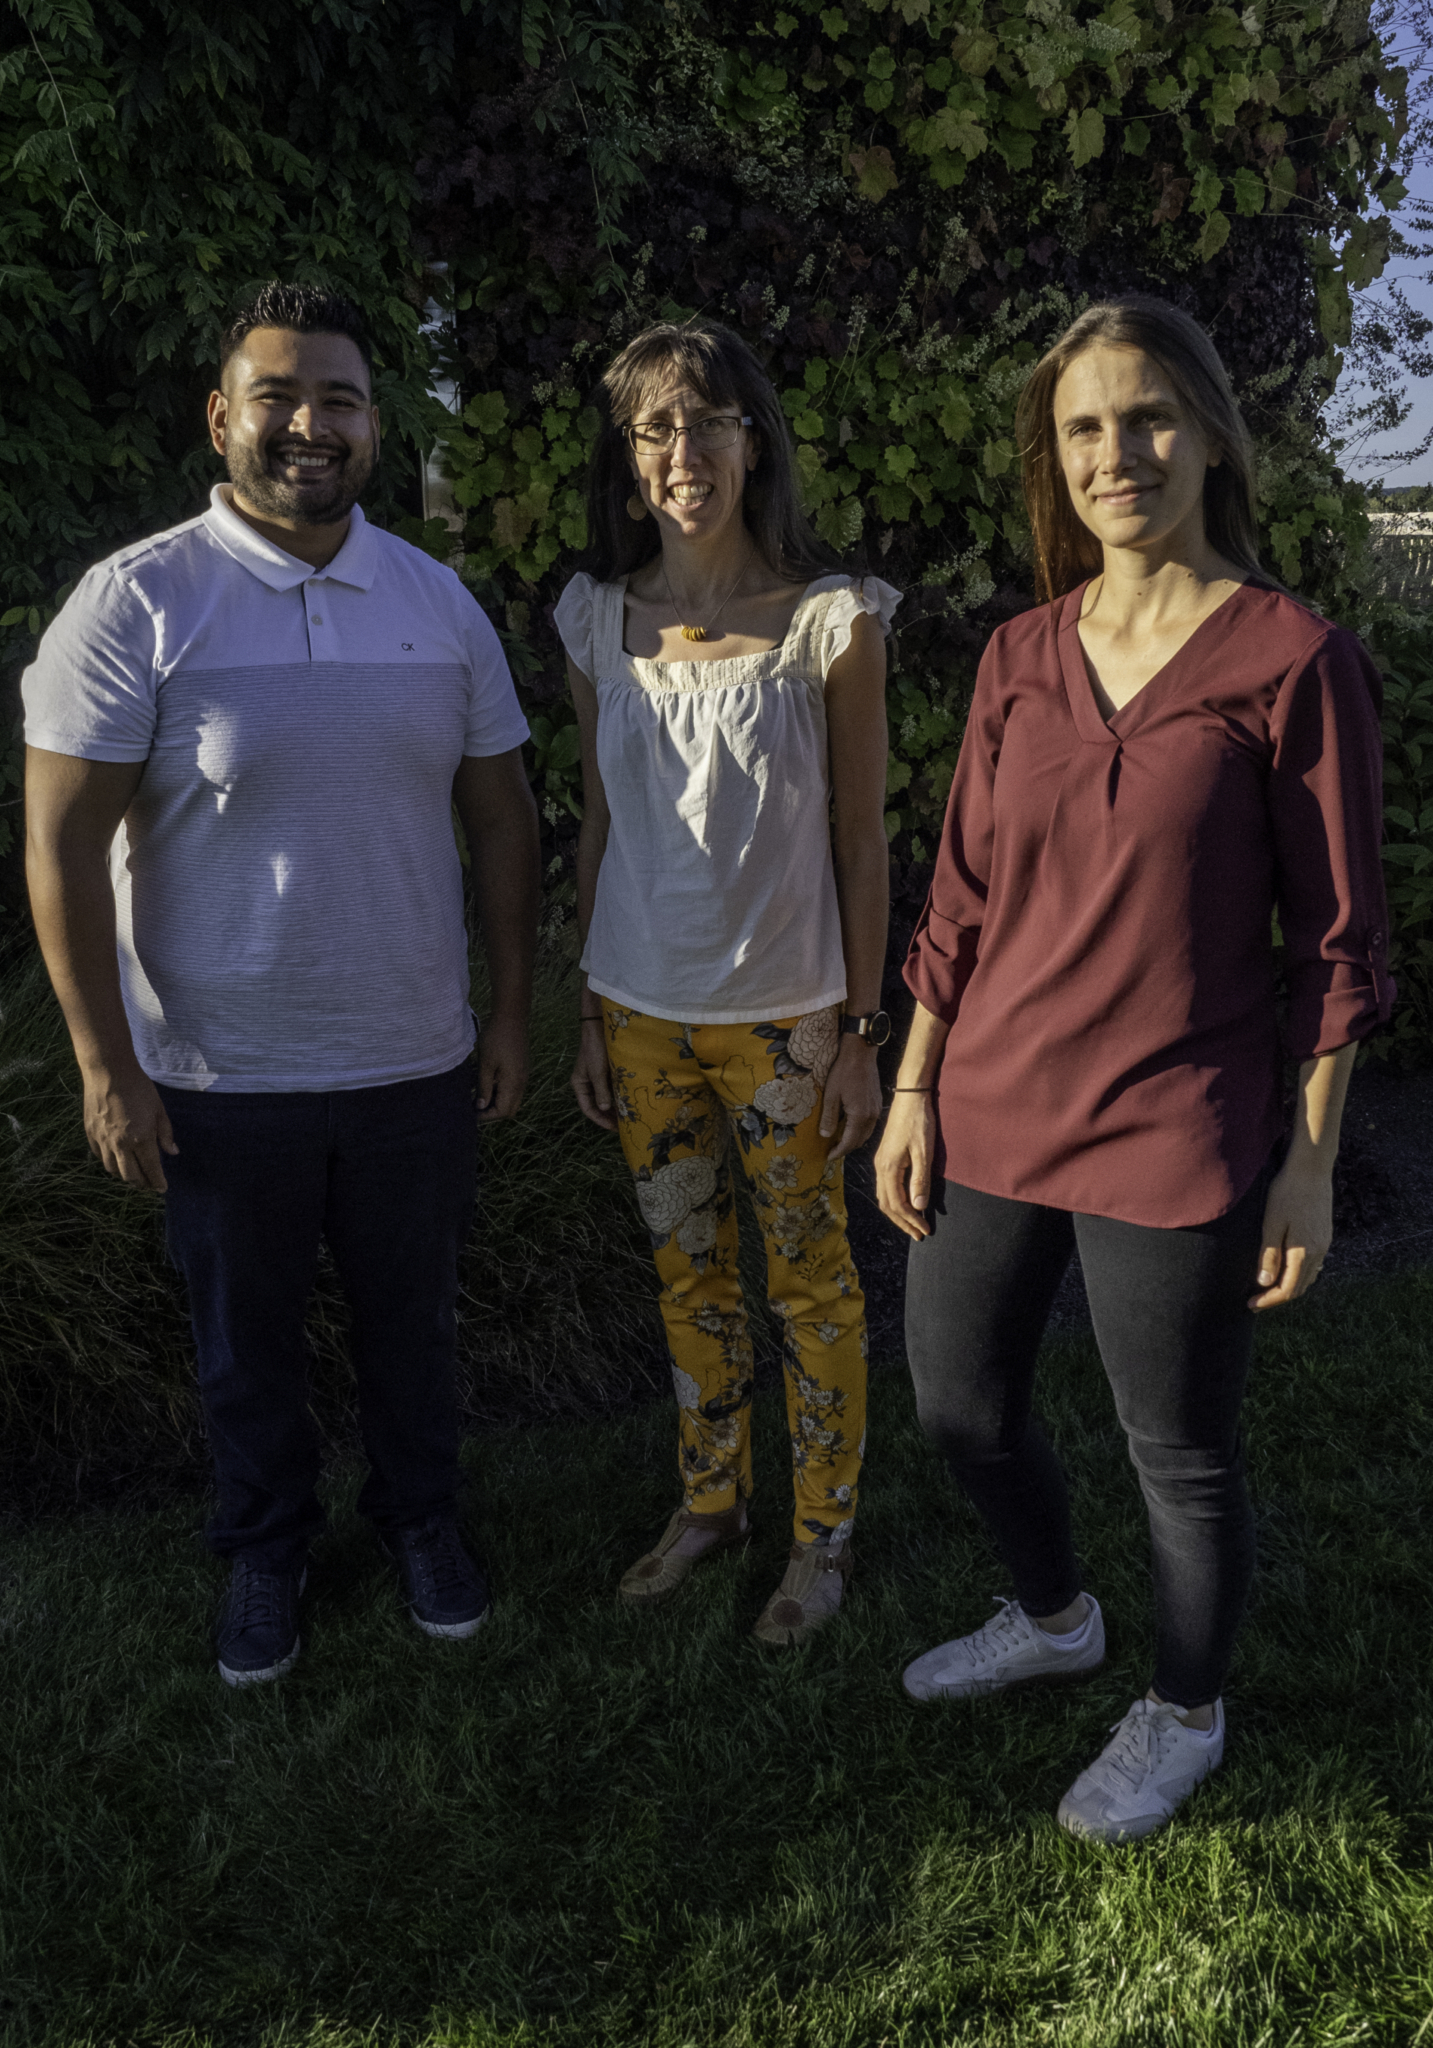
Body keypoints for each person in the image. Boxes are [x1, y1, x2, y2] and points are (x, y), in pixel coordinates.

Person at [874, 296, 1393, 1840]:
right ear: (1057, 456)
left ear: (1214, 434)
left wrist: (1307, 1160)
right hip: (993, 1103)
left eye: (1151, 416)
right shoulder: (1022, 654)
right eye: (1087, 427)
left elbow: (1341, 940)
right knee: (961, 1407)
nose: (1121, 453)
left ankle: (1182, 1707)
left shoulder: (1295, 660)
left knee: (1179, 1452)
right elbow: (961, 889)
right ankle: (1051, 1617)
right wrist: (912, 1085)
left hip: (1181, 1119)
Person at [21, 282, 540, 1687]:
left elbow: (501, 818)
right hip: (216, 1075)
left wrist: (506, 1013)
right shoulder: (138, 600)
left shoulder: (437, 604)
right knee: (245, 1350)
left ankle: (423, 1522)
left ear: (375, 427)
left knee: (412, 1328)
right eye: (281, 397)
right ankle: (265, 1549)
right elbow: (61, 846)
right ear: (222, 417)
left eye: (341, 401)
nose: (311, 425)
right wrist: (103, 1062)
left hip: (411, 1060)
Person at [558, 321, 895, 1645]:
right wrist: (588, 1006)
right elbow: (595, 823)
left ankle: (825, 1537)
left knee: (810, 1286)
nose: (683, 452)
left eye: (708, 423)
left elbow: (863, 844)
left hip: (788, 1021)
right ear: (631, 459)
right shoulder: (595, 619)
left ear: (755, 442)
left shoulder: (833, 618)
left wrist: (863, 1032)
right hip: (641, 1015)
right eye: (655, 429)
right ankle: (713, 1504)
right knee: (687, 1275)